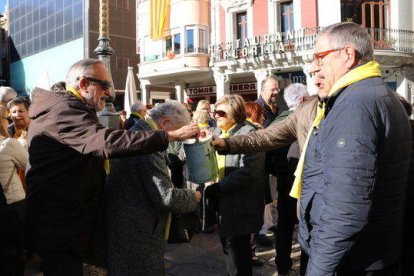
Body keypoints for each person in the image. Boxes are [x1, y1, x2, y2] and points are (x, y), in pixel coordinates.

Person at [215, 22, 411, 275]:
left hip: (355, 253)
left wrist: (319, 267)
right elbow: (269, 136)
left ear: (348, 55)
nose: (313, 69)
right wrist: (228, 143)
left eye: (319, 58)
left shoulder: (354, 105)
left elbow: (345, 207)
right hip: (363, 244)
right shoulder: (360, 97)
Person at [25, 58, 199, 275]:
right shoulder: (64, 110)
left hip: (64, 221)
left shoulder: (68, 107)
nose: (109, 93)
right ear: (83, 84)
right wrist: (169, 136)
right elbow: (106, 142)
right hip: (59, 224)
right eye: (105, 85)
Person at [106, 100, 201, 275]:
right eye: (179, 132)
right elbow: (166, 197)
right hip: (138, 232)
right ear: (165, 122)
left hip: (127, 225)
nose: (178, 138)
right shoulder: (149, 143)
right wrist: (192, 197)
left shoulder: (138, 132)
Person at [205, 94, 266, 276]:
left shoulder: (250, 133)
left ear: (235, 113)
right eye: (214, 112)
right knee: (228, 248)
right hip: (222, 202)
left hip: (240, 205)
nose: (216, 115)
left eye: (221, 112)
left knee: (239, 255)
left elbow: (250, 171)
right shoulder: (217, 132)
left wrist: (220, 187)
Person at [268, 83, 309, 276]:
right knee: (305, 226)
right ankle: (305, 268)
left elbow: (268, 156)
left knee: (284, 226)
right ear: (302, 100)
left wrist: (278, 172)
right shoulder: (306, 119)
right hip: (303, 184)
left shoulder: (277, 122)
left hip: (285, 184)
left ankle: (282, 265)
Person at [0, 105, 28, 275]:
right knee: (13, 251)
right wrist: (23, 143)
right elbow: (28, 165)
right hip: (12, 204)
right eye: (6, 117)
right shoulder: (8, 144)